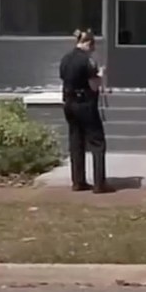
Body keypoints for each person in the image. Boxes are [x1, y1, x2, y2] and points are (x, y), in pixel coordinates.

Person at [59, 29, 115, 194]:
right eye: (93, 46)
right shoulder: (87, 61)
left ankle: (78, 181)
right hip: (85, 104)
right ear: (89, 43)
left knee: (76, 142)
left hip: (69, 103)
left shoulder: (65, 59)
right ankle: (99, 184)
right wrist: (100, 76)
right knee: (97, 142)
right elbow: (93, 85)